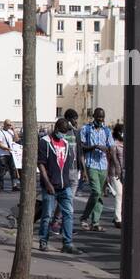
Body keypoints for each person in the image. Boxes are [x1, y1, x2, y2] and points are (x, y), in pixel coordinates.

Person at [38, 118, 82, 254]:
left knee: (68, 214)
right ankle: (43, 240)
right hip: (50, 185)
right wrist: (48, 183)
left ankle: (67, 243)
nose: (63, 134)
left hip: (65, 185)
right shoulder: (45, 142)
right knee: (47, 214)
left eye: (65, 132)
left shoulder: (66, 143)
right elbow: (41, 164)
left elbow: (68, 164)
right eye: (61, 131)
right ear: (56, 129)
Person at [78, 107, 112, 232]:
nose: (101, 119)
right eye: (98, 117)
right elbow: (81, 147)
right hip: (91, 164)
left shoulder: (107, 131)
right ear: (94, 116)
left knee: (99, 195)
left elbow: (111, 148)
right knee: (96, 191)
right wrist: (94, 146)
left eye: (102, 117)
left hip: (103, 165)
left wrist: (108, 151)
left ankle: (95, 222)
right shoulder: (86, 129)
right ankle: (84, 217)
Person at [108, 123, 125, 229]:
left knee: (125, 196)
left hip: (126, 172)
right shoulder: (114, 145)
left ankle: (120, 216)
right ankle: (118, 219)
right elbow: (114, 159)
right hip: (116, 173)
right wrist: (118, 172)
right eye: (120, 131)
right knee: (119, 194)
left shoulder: (128, 144)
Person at [0, 119, 16, 191]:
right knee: (2, 170)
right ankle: (1, 186)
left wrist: (14, 130)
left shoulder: (11, 132)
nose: (9, 126)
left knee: (13, 170)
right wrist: (6, 148)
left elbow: (16, 139)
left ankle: (14, 185)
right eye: (8, 125)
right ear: (4, 124)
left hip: (11, 154)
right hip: (3, 154)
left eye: (10, 125)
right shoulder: (0, 133)